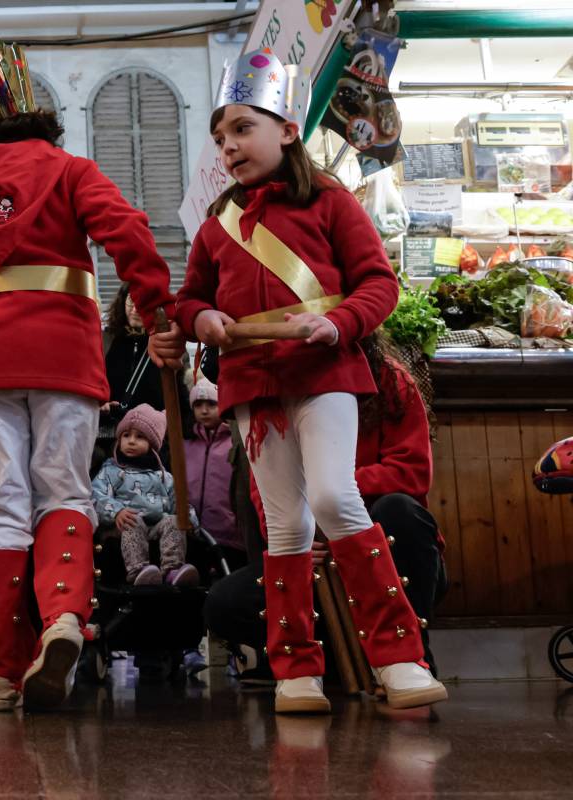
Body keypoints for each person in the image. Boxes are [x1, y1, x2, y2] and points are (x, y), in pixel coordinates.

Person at [176, 49, 445, 714]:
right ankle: (296, 671)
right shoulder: (216, 226)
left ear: (287, 130)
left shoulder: (330, 202)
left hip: (325, 370)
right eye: (220, 138)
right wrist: (202, 315)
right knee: (285, 528)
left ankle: (400, 657)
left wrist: (341, 324)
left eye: (242, 129)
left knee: (335, 497)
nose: (229, 146)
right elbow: (188, 301)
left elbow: (380, 282)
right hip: (251, 389)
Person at [0, 42, 182, 712]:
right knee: (61, 490)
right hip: (63, 355)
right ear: (42, 122)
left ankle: (2, 674)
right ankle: (64, 615)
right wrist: (156, 313)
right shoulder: (72, 171)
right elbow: (128, 235)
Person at [204, 332, 448, 682]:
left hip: (386, 551)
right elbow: (265, 488)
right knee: (224, 603)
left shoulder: (389, 378)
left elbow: (411, 472)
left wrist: (335, 505)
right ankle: (328, 664)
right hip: (312, 558)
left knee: (400, 512)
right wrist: (300, 534)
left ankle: (412, 654)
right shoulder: (269, 388)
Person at [91, 403, 197, 587]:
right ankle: (138, 570)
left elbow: (179, 502)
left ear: (153, 445)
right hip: (123, 525)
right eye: (126, 435)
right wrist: (117, 511)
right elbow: (96, 494)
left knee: (173, 521)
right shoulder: (112, 470)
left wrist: (189, 520)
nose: (131, 441)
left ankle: (172, 569)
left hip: (156, 526)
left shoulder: (163, 476)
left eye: (140, 437)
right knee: (133, 522)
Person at [97, 283, 192, 471]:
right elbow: (94, 379)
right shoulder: (105, 340)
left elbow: (179, 392)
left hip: (155, 440)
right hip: (110, 435)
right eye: (130, 302)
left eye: (141, 305)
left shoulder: (166, 342)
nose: (134, 310)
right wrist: (99, 401)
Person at [184, 377, 245, 566]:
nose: (204, 410)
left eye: (211, 404)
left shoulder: (235, 443)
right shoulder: (186, 444)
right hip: (193, 534)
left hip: (230, 535)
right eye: (198, 404)